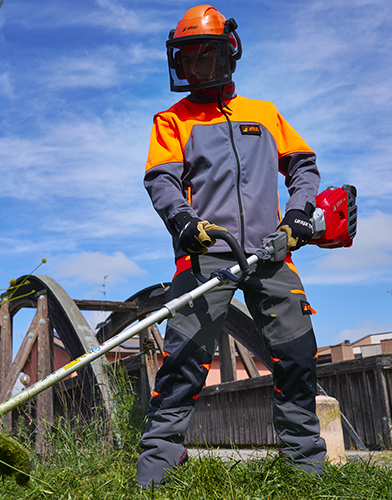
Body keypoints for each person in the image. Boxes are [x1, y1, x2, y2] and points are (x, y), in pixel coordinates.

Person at [138, 4, 327, 487]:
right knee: (184, 357)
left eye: (206, 56)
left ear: (230, 52)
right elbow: (162, 181)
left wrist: (300, 212)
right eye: (188, 58)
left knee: (298, 353)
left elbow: (302, 166)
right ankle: (159, 465)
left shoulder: (264, 114)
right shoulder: (172, 121)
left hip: (270, 252)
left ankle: (303, 466)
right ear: (177, 63)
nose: (196, 66)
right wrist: (182, 221)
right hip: (205, 254)